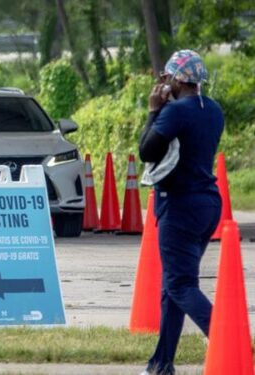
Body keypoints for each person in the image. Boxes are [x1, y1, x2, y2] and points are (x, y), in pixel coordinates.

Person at [138, 50, 224, 375]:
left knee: (179, 284)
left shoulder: (175, 113)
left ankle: (228, 337)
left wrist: (152, 111)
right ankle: (161, 365)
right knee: (171, 287)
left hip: (180, 204)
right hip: (208, 203)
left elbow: (147, 149)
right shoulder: (213, 110)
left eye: (168, 77)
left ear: (176, 79)